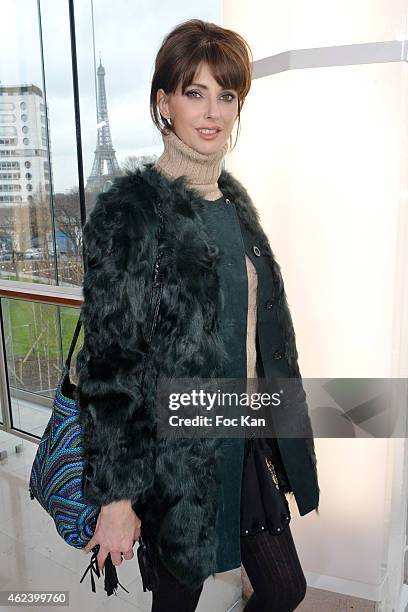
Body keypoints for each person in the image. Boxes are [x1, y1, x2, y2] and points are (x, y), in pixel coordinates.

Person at [76, 18, 320, 612]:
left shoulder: (236, 205)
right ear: (164, 102)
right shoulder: (130, 214)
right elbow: (110, 367)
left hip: (244, 438)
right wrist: (117, 498)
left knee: (285, 588)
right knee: (178, 602)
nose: (212, 112)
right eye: (194, 93)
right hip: (171, 462)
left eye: (227, 95)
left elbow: (264, 335)